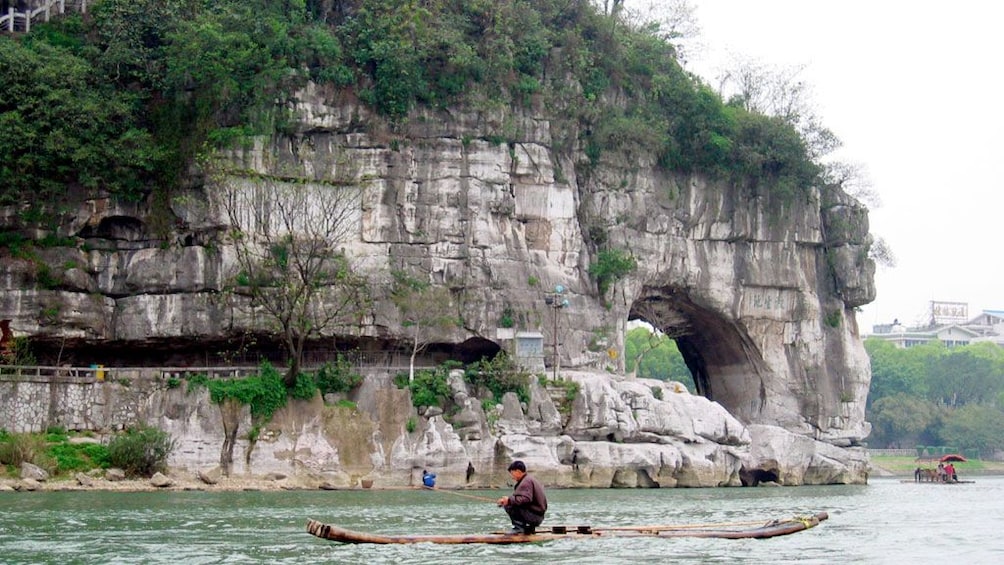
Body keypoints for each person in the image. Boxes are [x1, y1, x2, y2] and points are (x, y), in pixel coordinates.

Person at [496, 460, 547, 535]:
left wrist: (508, 500)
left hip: (535, 517)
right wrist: (508, 500)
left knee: (509, 505)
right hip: (537, 516)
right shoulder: (528, 479)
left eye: (512, 474)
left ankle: (519, 528)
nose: (512, 477)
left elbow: (525, 499)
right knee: (510, 502)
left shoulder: (526, 482)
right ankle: (528, 528)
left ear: (518, 471)